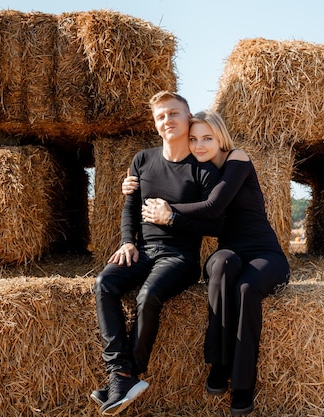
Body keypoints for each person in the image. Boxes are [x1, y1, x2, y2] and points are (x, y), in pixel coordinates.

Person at [123, 110, 290, 415]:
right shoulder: (198, 171)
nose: (200, 145)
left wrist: (170, 213)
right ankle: (217, 363)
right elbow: (157, 178)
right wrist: (132, 186)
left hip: (265, 254)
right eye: (194, 139)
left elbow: (214, 207)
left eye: (207, 138)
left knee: (245, 289)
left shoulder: (237, 159)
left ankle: (242, 384)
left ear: (220, 137)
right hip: (231, 252)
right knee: (221, 266)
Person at [92, 92, 223, 415]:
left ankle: (126, 376)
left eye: (174, 114)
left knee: (148, 295)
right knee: (104, 284)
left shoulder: (203, 168)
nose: (168, 121)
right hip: (144, 250)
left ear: (188, 117)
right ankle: (118, 371)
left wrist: (173, 216)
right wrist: (127, 241)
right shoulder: (143, 160)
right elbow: (131, 207)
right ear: (156, 123)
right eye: (161, 116)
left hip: (180, 257)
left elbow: (217, 223)